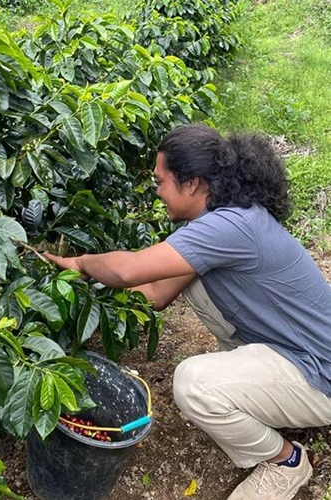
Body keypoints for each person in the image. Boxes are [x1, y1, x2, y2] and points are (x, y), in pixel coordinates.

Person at [45, 123, 331, 500]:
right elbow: (154, 292)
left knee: (194, 384)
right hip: (296, 350)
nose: (157, 191)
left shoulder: (232, 227)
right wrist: (80, 288)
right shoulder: (220, 219)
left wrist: (82, 262)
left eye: (160, 181)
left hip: (320, 372)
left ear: (193, 183)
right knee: (190, 278)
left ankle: (286, 461)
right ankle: (259, 393)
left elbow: (128, 271)